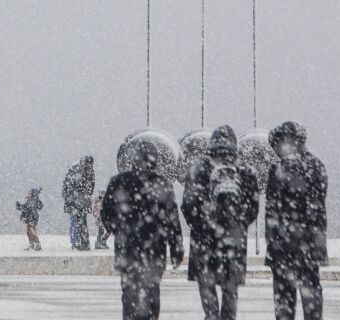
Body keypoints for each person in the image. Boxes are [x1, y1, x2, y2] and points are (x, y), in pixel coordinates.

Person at [181, 125, 260, 320]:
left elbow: (187, 205)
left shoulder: (198, 168)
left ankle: (211, 315)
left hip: (204, 237)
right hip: (233, 238)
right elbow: (253, 207)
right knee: (230, 284)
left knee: (206, 281)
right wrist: (238, 225)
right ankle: (228, 316)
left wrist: (200, 224)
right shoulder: (245, 171)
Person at [100, 142, 184, 320]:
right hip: (155, 250)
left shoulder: (118, 182)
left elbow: (106, 212)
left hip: (127, 249)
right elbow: (172, 221)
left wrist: (118, 230)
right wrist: (176, 248)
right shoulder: (162, 185)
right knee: (152, 294)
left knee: (129, 295)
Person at [265, 121, 328, 320]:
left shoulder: (278, 169)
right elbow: (318, 204)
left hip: (284, 243)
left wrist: (273, 238)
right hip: (308, 242)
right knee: (310, 293)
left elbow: (271, 209)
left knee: (284, 297)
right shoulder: (316, 166)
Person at [62, 156, 95, 250]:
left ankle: (77, 243)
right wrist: (86, 195)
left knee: (76, 222)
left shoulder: (75, 170)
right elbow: (91, 186)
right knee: (81, 221)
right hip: (79, 201)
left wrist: (70, 197)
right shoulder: (88, 171)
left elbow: (67, 187)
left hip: (75, 201)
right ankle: (82, 243)